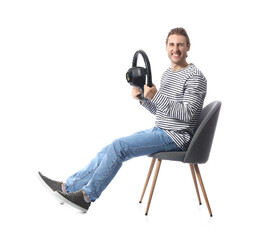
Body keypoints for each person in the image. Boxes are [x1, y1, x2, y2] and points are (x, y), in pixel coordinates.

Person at [38, 27, 207, 213]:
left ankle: (86, 197)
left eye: (180, 45)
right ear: (166, 47)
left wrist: (156, 96)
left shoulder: (195, 77)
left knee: (119, 147)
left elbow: (188, 114)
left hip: (176, 138)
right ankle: (67, 187)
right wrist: (144, 99)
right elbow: (162, 111)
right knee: (110, 148)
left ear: (188, 47)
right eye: (172, 45)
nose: (176, 49)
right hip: (160, 130)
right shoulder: (168, 73)